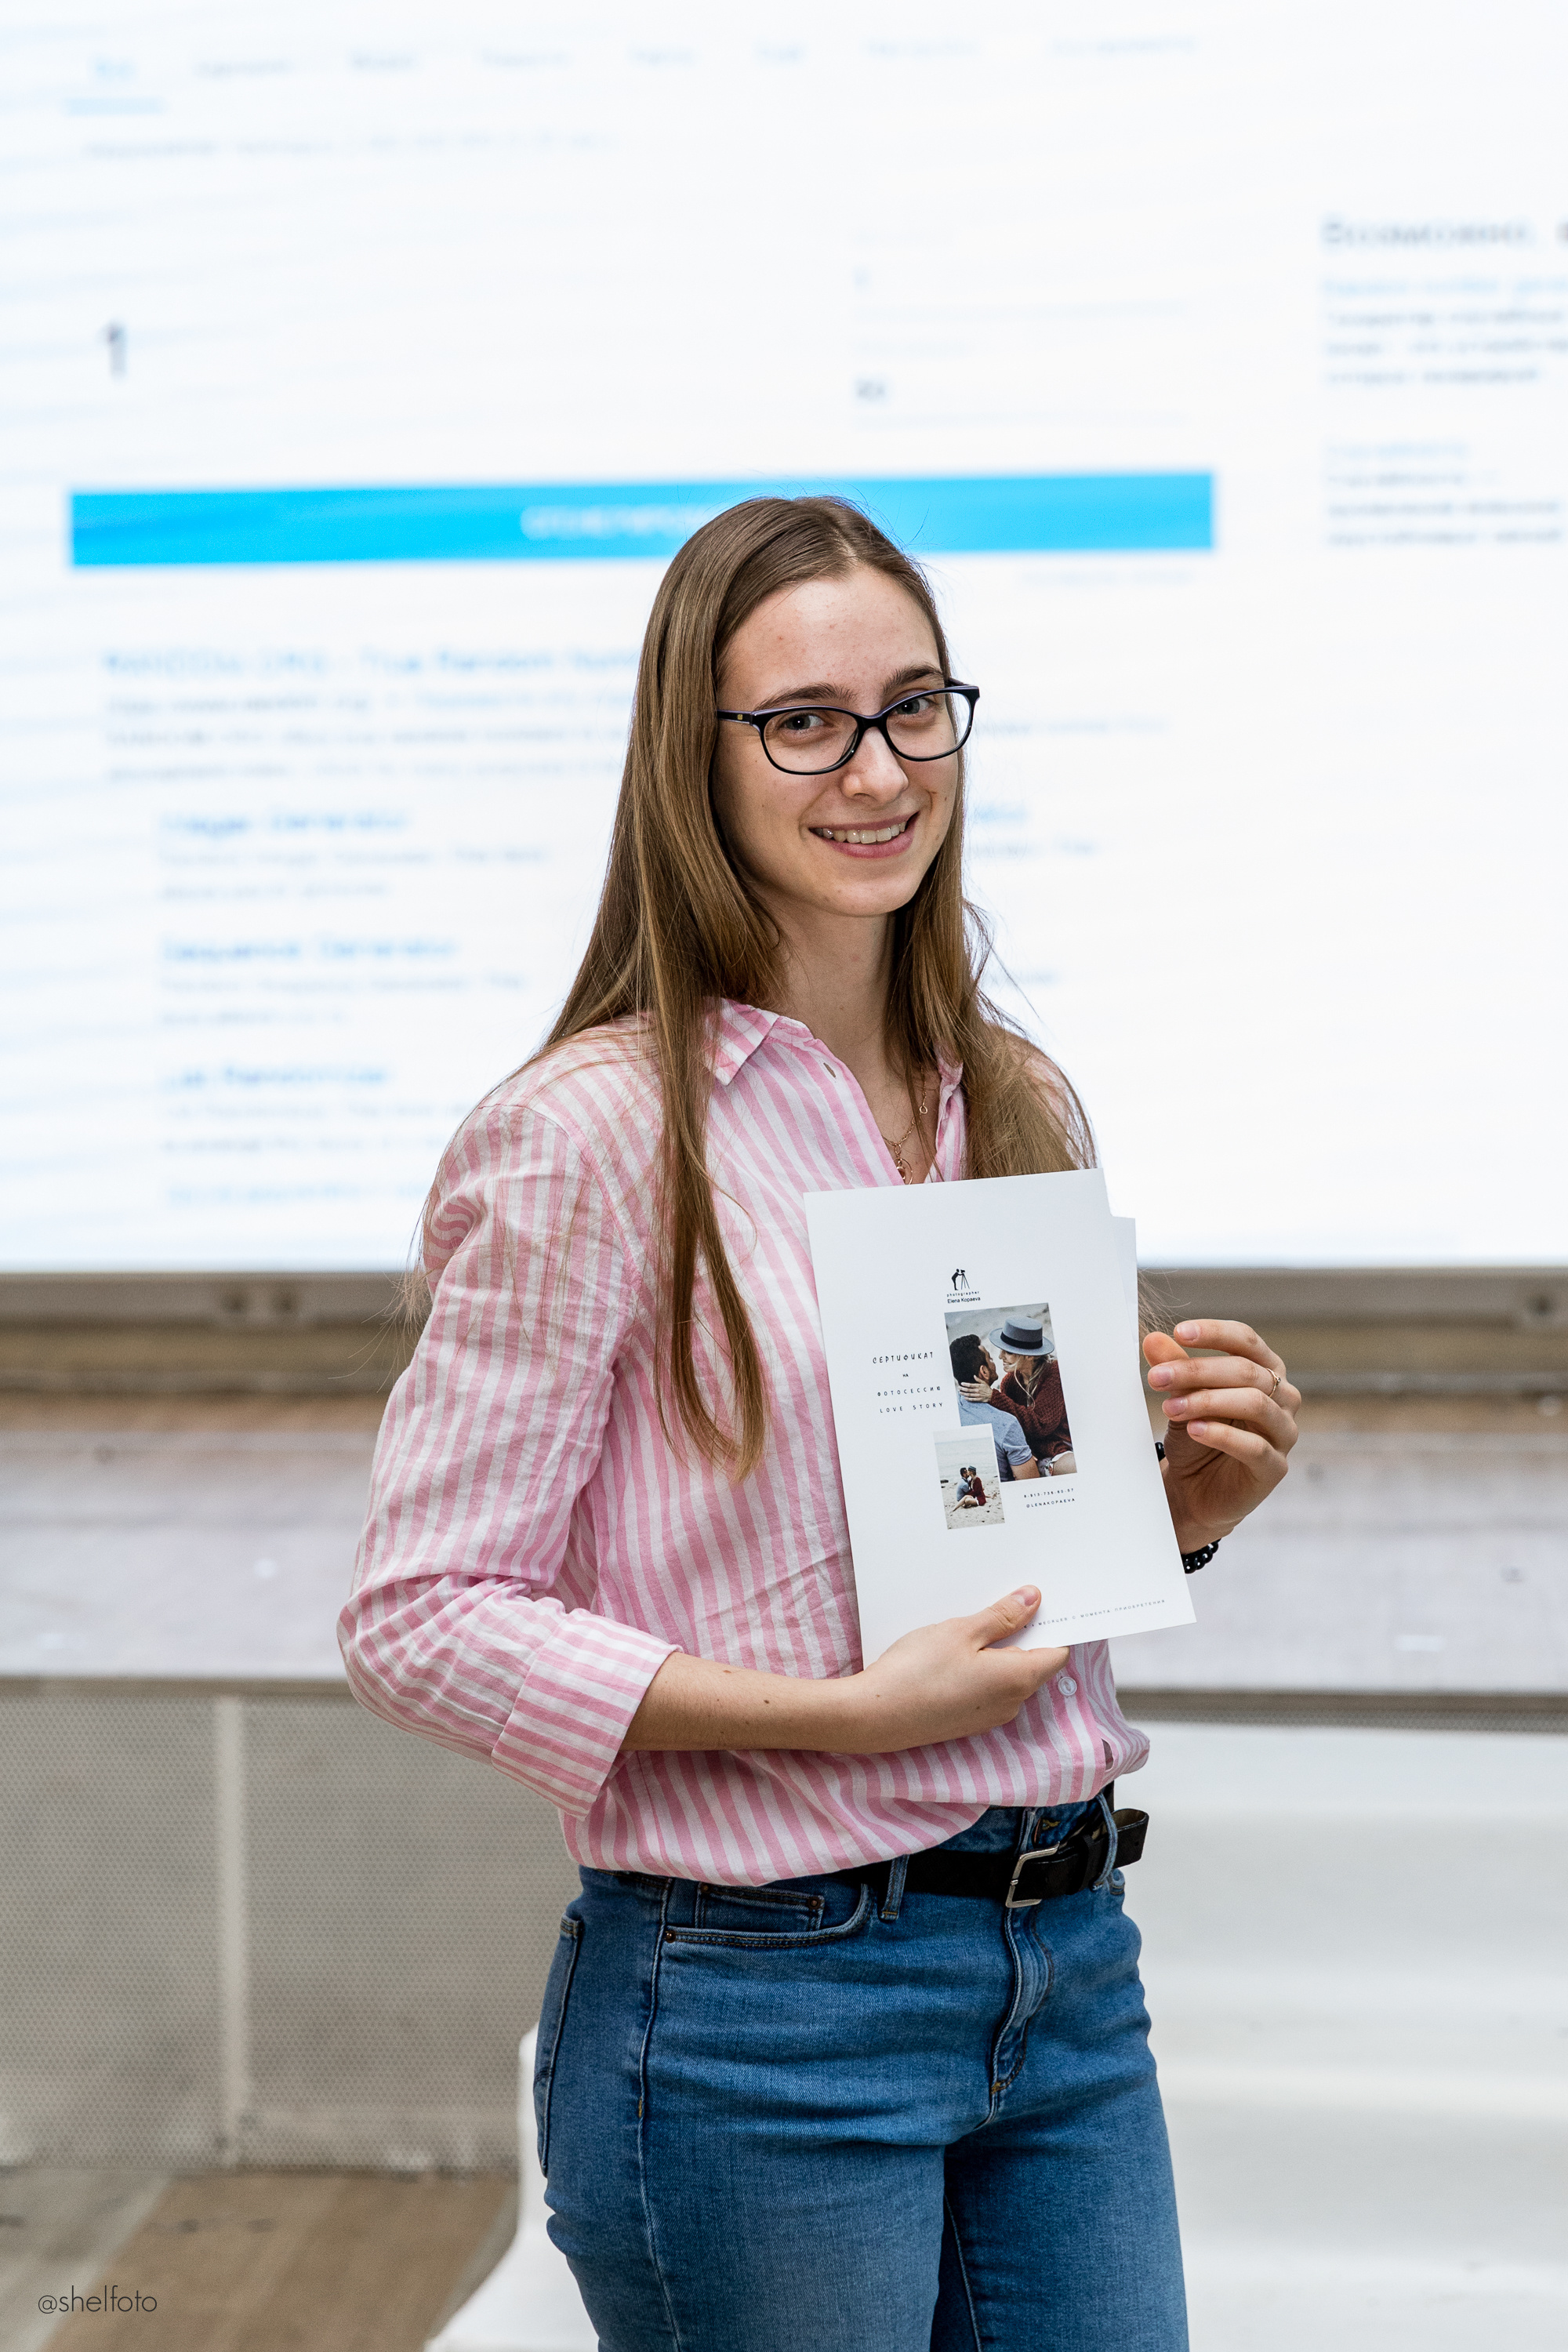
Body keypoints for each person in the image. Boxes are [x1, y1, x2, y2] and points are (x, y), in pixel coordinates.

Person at [339, 495, 1301, 2352]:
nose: (873, 768)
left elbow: (994, 1530)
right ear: (688, 763)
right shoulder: (587, 1134)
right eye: (802, 721)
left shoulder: (1008, 1094)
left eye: (911, 705)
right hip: (754, 2006)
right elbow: (422, 1614)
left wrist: (1178, 1507)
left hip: (1063, 1966)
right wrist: (839, 1721)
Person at [964, 1313, 1076, 1472]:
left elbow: (1042, 1424)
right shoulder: (1010, 1382)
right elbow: (1013, 1426)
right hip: (1034, 1452)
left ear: (1029, 1356)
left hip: (1064, 1444)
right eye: (1002, 1350)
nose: (1001, 1356)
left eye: (1008, 1352)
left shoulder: (1054, 1373)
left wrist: (994, 1396)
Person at [949, 1331, 1038, 1483]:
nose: (996, 1359)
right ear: (984, 1372)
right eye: (990, 1358)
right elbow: (1031, 1481)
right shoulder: (1007, 1423)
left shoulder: (950, 1411)